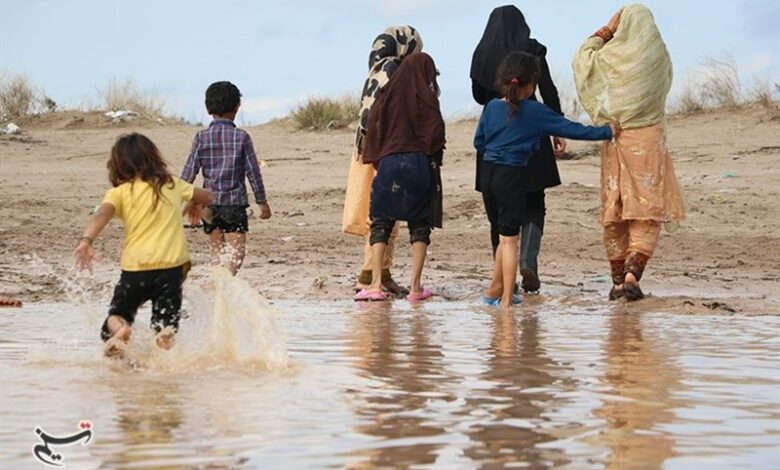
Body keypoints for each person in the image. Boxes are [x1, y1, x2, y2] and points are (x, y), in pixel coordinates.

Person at [475, 52, 618, 308]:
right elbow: (573, 129)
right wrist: (608, 131)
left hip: (487, 175)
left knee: (500, 233)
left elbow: (479, 142)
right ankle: (506, 301)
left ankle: (493, 293)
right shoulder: (536, 111)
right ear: (531, 84)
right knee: (510, 241)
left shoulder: (492, 107)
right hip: (512, 176)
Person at [573, 4, 685, 301]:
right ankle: (633, 274)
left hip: (615, 136)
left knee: (616, 208)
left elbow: (582, 59)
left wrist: (606, 31)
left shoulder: (608, 58)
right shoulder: (658, 56)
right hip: (649, 139)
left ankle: (619, 282)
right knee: (646, 208)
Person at [74, 133, 213, 356]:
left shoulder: (119, 193)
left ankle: (121, 330)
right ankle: (164, 367)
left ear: (118, 164)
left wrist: (86, 241)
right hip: (171, 270)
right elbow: (207, 195)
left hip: (136, 270)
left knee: (116, 316)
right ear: (153, 158)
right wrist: (193, 202)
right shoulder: (171, 185)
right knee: (165, 329)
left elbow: (101, 215)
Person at [470, 5, 565, 293]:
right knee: (534, 201)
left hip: (495, 137)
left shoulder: (482, 53)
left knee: (498, 209)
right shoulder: (531, 50)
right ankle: (527, 261)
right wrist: (557, 128)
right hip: (531, 132)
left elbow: (478, 96)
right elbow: (548, 90)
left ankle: (502, 275)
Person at [355, 52, 445, 302]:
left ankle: (374, 285)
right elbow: (436, 133)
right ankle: (415, 288)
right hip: (418, 164)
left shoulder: (387, 94)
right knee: (419, 226)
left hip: (388, 163)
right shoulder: (427, 98)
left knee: (381, 224)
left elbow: (372, 128)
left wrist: (378, 161)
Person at [342, 26, 423, 298]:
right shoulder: (396, 70)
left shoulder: (375, 70)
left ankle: (380, 275)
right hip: (386, 150)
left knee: (378, 213)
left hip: (364, 151)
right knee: (384, 215)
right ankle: (370, 277)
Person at [181, 81, 272, 275]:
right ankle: (227, 282)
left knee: (217, 252)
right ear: (237, 107)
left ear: (208, 109)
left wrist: (180, 196)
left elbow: (189, 170)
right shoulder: (242, 137)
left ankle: (219, 283)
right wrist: (261, 201)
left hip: (209, 204)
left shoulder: (201, 137)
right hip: (234, 204)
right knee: (236, 253)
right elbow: (253, 172)